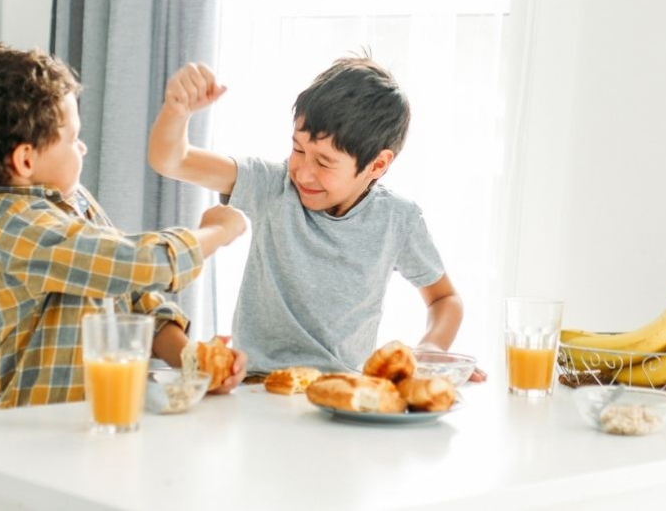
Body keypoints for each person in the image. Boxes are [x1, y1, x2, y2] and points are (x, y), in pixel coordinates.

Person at [0, 44, 248, 410]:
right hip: (28, 440)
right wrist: (216, 232)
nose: (82, 148)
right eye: (72, 138)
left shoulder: (74, 203)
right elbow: (140, 264)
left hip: (93, 428)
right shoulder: (16, 227)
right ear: (25, 159)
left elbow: (134, 297)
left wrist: (194, 363)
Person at [148, 55, 485, 381]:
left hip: (342, 393)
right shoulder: (271, 186)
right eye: (298, 149)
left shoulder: (398, 220)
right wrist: (177, 111)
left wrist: (430, 349)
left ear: (377, 165)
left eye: (324, 163)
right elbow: (172, 160)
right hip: (257, 387)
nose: (303, 173)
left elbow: (445, 299)